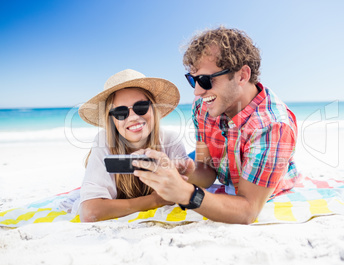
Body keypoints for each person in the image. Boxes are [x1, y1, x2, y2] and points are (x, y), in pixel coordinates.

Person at [134, 27, 299, 224]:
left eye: (204, 80)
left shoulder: (272, 127)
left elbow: (247, 211)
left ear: (242, 76)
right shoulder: (204, 107)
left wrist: (187, 193)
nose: (197, 92)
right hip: (226, 165)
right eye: (193, 80)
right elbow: (207, 169)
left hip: (264, 182)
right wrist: (186, 170)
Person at [73, 69, 190, 222]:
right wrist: (155, 200)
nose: (134, 117)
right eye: (121, 112)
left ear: (153, 108)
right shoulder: (104, 142)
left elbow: (186, 190)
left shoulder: (169, 140)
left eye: (141, 107)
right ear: (112, 119)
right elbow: (90, 212)